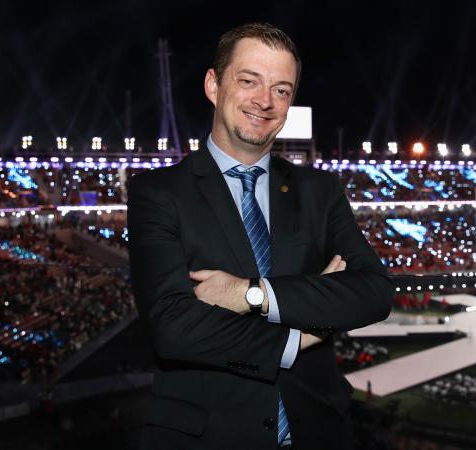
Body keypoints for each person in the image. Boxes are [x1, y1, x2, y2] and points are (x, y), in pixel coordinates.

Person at [128, 23, 393, 450]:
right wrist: (300, 334)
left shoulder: (319, 191)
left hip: (320, 432)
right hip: (208, 438)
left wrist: (253, 295)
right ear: (214, 85)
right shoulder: (157, 193)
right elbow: (173, 328)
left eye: (282, 90)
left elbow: (375, 292)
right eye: (249, 81)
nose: (265, 102)